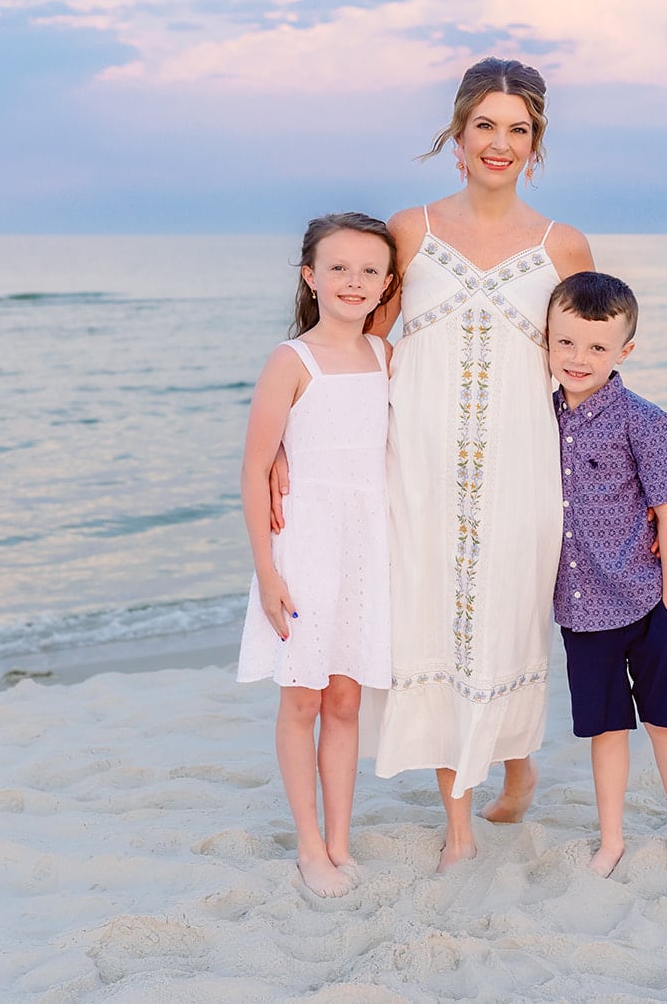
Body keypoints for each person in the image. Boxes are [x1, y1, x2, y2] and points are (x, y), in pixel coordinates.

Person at [365, 56, 594, 870]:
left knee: (508, 625)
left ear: (535, 146)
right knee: (430, 624)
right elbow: (367, 344)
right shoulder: (410, 230)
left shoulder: (562, 244)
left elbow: (588, 369)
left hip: (523, 473)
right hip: (420, 471)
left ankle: (518, 762)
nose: (500, 142)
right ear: (457, 136)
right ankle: (457, 827)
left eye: (518, 129)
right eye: (485, 125)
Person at [237, 212, 399, 898]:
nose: (353, 281)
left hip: (366, 542)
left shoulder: (385, 355)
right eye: (338, 268)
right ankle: (309, 846)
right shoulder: (291, 360)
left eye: (369, 269)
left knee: (345, 697)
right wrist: (268, 572)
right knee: (301, 697)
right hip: (304, 543)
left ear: (388, 281)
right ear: (310, 276)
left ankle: (340, 839)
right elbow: (252, 470)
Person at [545, 271, 667, 890]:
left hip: (645, 600)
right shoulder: (541, 417)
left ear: (624, 352)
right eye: (566, 343)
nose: (578, 359)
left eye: (595, 347)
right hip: (580, 608)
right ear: (549, 341)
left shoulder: (649, 422)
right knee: (606, 728)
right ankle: (611, 839)